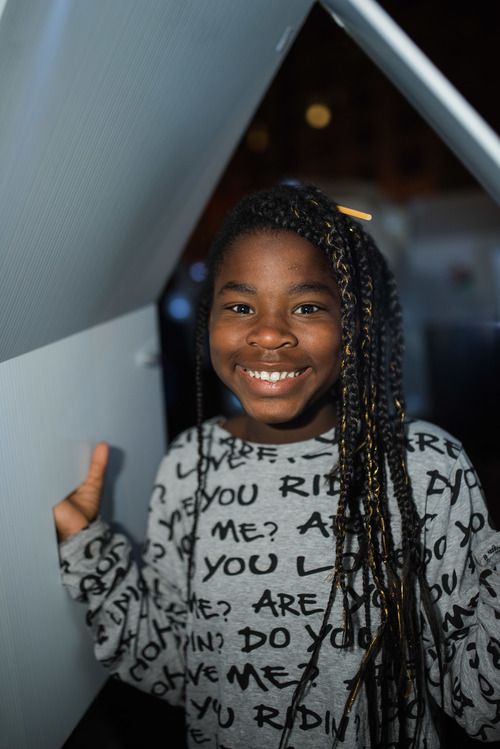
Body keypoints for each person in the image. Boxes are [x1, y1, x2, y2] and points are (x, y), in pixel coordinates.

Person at [54, 183, 500, 749]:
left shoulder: (423, 468)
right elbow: (175, 664)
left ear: (354, 323)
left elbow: (480, 700)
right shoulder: (190, 464)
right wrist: (89, 549)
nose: (268, 333)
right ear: (207, 319)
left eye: (307, 307)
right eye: (240, 307)